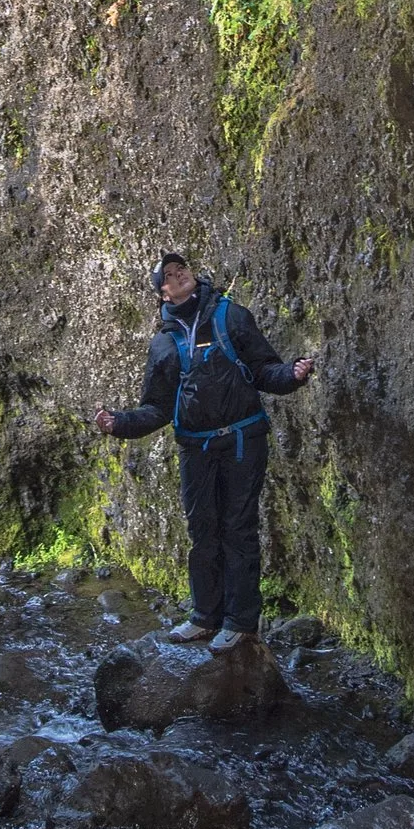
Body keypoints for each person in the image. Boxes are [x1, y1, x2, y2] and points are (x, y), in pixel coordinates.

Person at [94, 252, 317, 649]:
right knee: (202, 533)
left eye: (183, 269)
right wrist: (119, 423)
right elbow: (157, 408)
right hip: (195, 448)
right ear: (162, 291)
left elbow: (266, 370)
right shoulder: (163, 343)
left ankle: (241, 622)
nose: (179, 274)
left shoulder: (232, 317)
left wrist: (293, 374)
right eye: (169, 274)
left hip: (243, 440)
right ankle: (204, 617)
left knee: (239, 529)